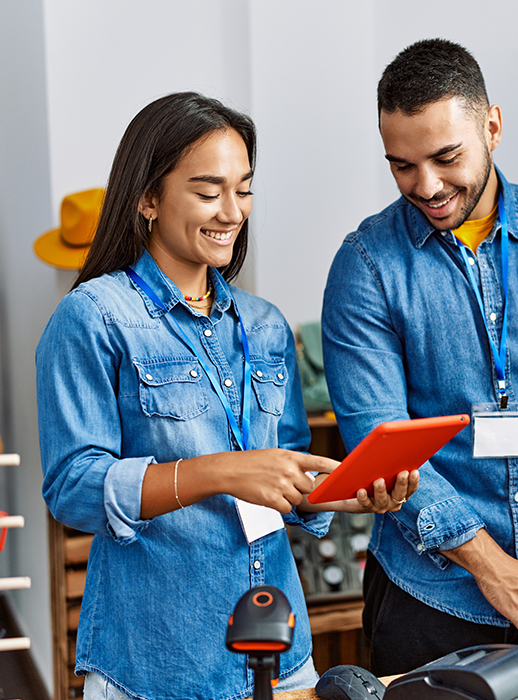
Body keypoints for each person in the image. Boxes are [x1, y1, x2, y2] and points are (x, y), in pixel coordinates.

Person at [36, 92, 418, 700]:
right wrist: (221, 472)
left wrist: (345, 493)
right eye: (209, 192)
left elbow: (285, 468)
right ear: (148, 198)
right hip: (158, 662)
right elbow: (74, 489)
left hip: (282, 650)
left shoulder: (266, 325)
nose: (233, 212)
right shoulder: (92, 319)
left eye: (243, 189)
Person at [322, 39, 518, 676]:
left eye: (446, 157)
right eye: (402, 166)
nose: (427, 187)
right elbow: (381, 439)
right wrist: (492, 566)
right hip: (428, 597)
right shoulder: (364, 267)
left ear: (492, 126)